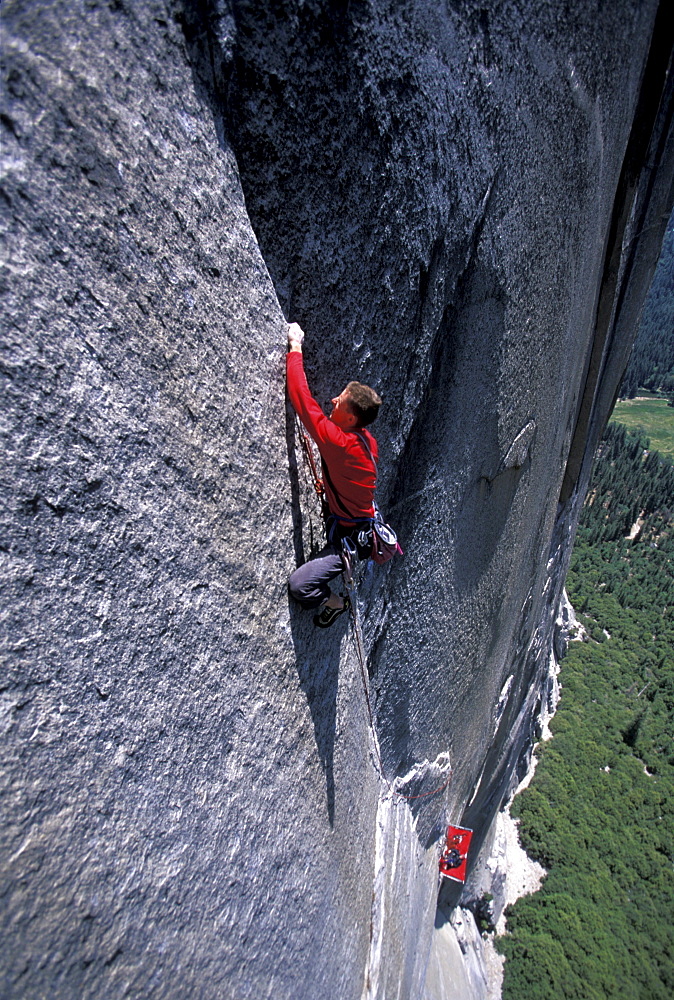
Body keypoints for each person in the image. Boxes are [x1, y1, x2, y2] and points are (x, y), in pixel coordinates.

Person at [286, 321, 382, 627]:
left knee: (301, 585)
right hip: (357, 521)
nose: (332, 401)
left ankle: (336, 602)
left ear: (351, 417)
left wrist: (296, 346)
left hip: (353, 536)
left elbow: (302, 399)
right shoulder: (367, 442)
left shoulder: (340, 442)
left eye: (339, 402)